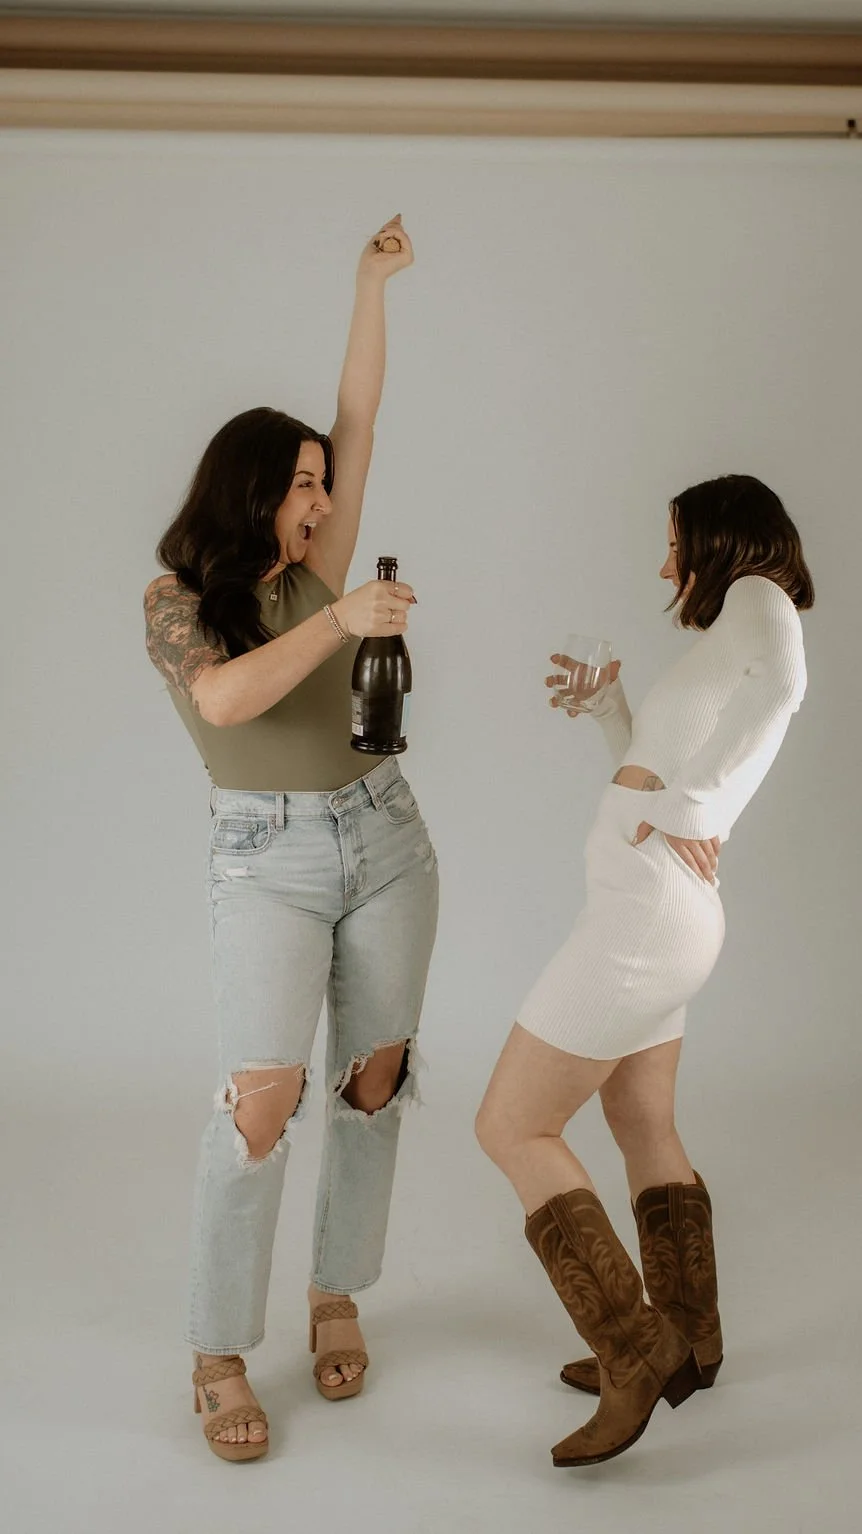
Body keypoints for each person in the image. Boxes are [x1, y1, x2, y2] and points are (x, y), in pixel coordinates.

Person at [143, 217, 438, 1462]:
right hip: (265, 856)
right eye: (304, 483)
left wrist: (370, 283)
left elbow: (360, 412)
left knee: (374, 1082)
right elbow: (222, 702)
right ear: (251, 490)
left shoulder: (320, 564)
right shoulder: (178, 599)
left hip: (385, 836)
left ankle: (335, 1289)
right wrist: (339, 623)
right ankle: (217, 1350)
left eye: (325, 481)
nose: (322, 499)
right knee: (259, 1105)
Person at [476, 474, 812, 1469]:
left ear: (720, 538)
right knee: (640, 1119)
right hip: (657, 914)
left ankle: (635, 1349)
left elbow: (783, 692)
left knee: (510, 1124)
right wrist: (609, 708)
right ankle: (692, 1337)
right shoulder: (729, 628)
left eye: (676, 543)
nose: (667, 567)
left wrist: (698, 809)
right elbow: (652, 765)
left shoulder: (760, 594)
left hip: (644, 917)